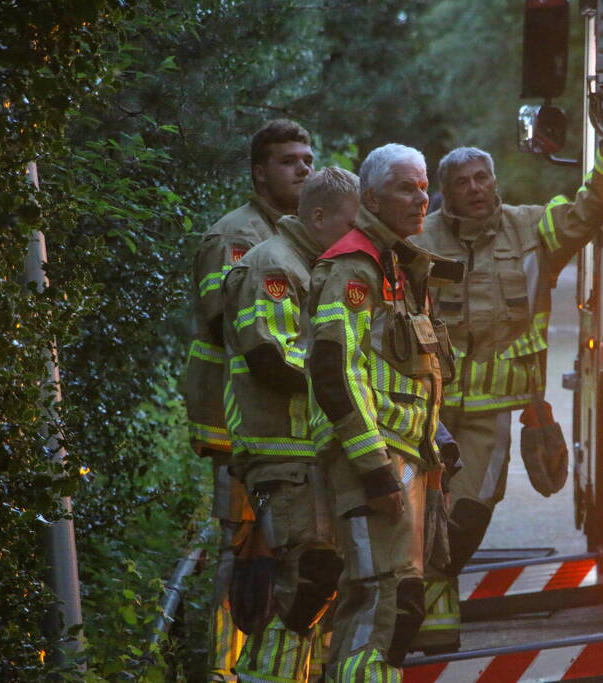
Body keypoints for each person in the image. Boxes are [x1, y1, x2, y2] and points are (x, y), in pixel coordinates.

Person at [408, 109, 603, 651]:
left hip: (490, 412)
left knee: (467, 515)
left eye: (482, 178)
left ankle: (428, 598)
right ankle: (425, 621)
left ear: (495, 183)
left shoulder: (532, 226)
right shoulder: (416, 238)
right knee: (413, 511)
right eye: (462, 183)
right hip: (422, 406)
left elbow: (587, 211)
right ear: (445, 193)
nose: (475, 189)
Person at [306, 143, 461, 682]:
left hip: (405, 459)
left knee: (397, 604)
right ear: (371, 199)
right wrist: (375, 470)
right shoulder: (354, 267)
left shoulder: (400, 262)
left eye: (423, 187)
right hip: (374, 463)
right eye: (405, 188)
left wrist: (436, 444)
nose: (420, 199)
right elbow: (335, 370)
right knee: (382, 599)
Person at [181, 118, 315, 681]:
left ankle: (280, 662)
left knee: (287, 546)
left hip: (280, 422)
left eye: (308, 160)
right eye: (289, 161)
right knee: (239, 547)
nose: (302, 170)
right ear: (260, 173)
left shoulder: (304, 231)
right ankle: (222, 667)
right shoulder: (236, 237)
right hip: (233, 421)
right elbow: (230, 326)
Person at [221, 167, 360, 681]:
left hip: (309, 451)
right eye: (350, 224)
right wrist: (344, 387)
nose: (356, 236)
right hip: (284, 451)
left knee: (318, 581)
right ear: (318, 216)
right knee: (306, 578)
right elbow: (269, 357)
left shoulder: (316, 264)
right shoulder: (274, 265)